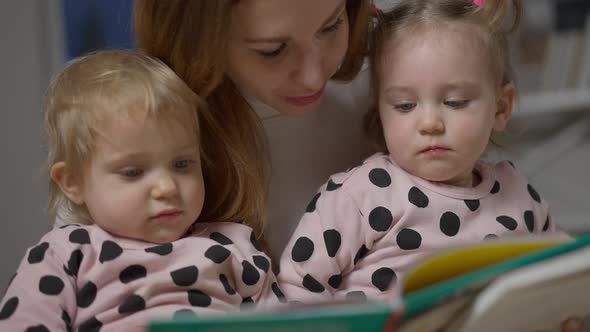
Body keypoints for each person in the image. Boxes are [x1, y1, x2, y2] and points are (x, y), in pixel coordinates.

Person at [278, 0, 572, 304]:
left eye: (455, 102)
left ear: (501, 107)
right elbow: (295, 292)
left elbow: (561, 276)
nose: (430, 123)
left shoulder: (520, 196)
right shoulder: (359, 196)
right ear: (381, 112)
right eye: (405, 106)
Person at [0, 50, 285, 331]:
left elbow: (286, 325)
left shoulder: (233, 244)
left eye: (182, 163)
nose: (166, 187)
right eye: (133, 172)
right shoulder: (65, 253)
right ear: (73, 182)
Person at [133, 0, 374, 258]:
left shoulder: (399, 56)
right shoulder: (138, 124)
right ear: (196, 41)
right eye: (272, 50)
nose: (312, 77)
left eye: (332, 25)